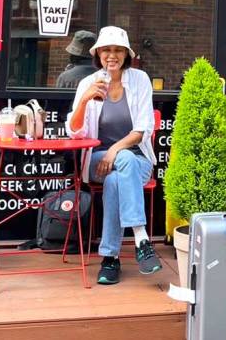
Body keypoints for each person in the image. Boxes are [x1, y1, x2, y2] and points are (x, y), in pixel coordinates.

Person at [66, 25, 160, 285]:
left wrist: (115, 150)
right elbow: (74, 131)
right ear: (98, 54)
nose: (112, 55)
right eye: (106, 50)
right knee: (121, 164)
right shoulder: (88, 83)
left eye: (118, 50)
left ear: (126, 54)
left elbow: (142, 129)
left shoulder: (140, 80)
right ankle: (141, 238)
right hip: (98, 161)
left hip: (136, 160)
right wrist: (84, 100)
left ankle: (110, 258)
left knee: (116, 178)